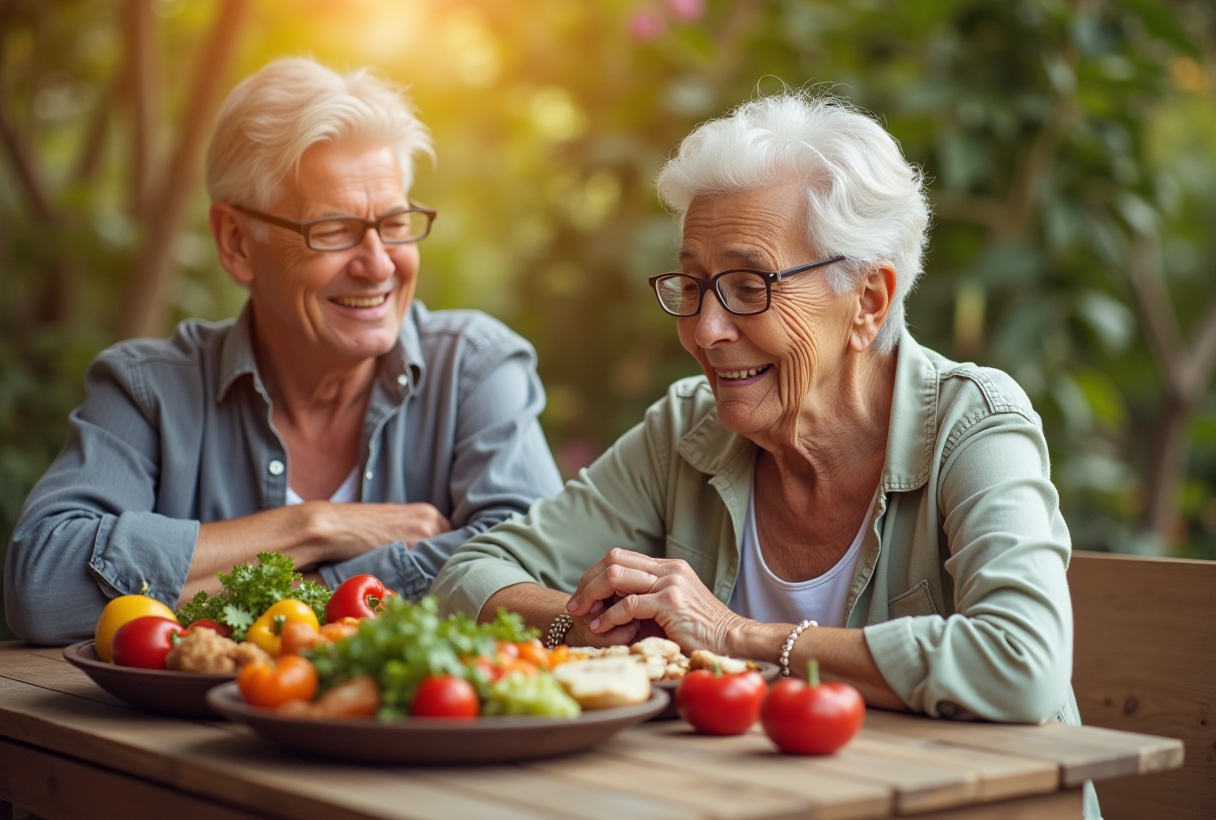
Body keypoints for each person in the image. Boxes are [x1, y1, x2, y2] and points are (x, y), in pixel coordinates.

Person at [435, 92, 1082, 727]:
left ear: (868, 300)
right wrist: (577, 624)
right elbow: (467, 577)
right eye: (693, 285)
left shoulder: (973, 425)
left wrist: (735, 635)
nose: (706, 330)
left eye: (749, 286)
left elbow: (1021, 661)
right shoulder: (686, 429)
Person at [5, 57, 563, 645]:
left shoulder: (474, 369)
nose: (378, 264)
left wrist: (268, 593)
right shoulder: (149, 391)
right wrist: (316, 526)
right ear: (237, 242)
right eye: (334, 229)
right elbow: (44, 587)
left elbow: (540, 569)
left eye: (395, 223)